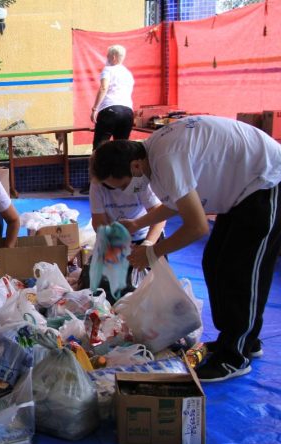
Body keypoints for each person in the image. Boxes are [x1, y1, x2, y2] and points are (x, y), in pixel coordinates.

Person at [91, 115, 281, 382]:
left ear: (134, 166)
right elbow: (178, 201)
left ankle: (235, 356)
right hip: (240, 192)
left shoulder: (165, 160)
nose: (124, 191)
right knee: (214, 261)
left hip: (265, 182)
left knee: (242, 270)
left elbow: (197, 226)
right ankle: (238, 339)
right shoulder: (151, 156)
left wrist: (152, 252)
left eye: (122, 185)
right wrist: (138, 222)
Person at [80, 180, 166, 299]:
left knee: (149, 291)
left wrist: (147, 244)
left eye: (124, 185)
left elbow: (160, 217)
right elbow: (99, 223)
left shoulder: (140, 181)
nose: (123, 190)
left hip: (146, 237)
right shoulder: (97, 184)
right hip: (115, 240)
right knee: (98, 287)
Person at [81, 44, 135, 194]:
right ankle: (121, 184)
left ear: (113, 57)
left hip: (110, 110)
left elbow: (104, 88)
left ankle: (94, 184)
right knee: (122, 149)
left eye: (108, 56)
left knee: (99, 148)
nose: (106, 59)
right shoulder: (128, 74)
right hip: (127, 112)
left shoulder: (108, 70)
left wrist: (95, 108)